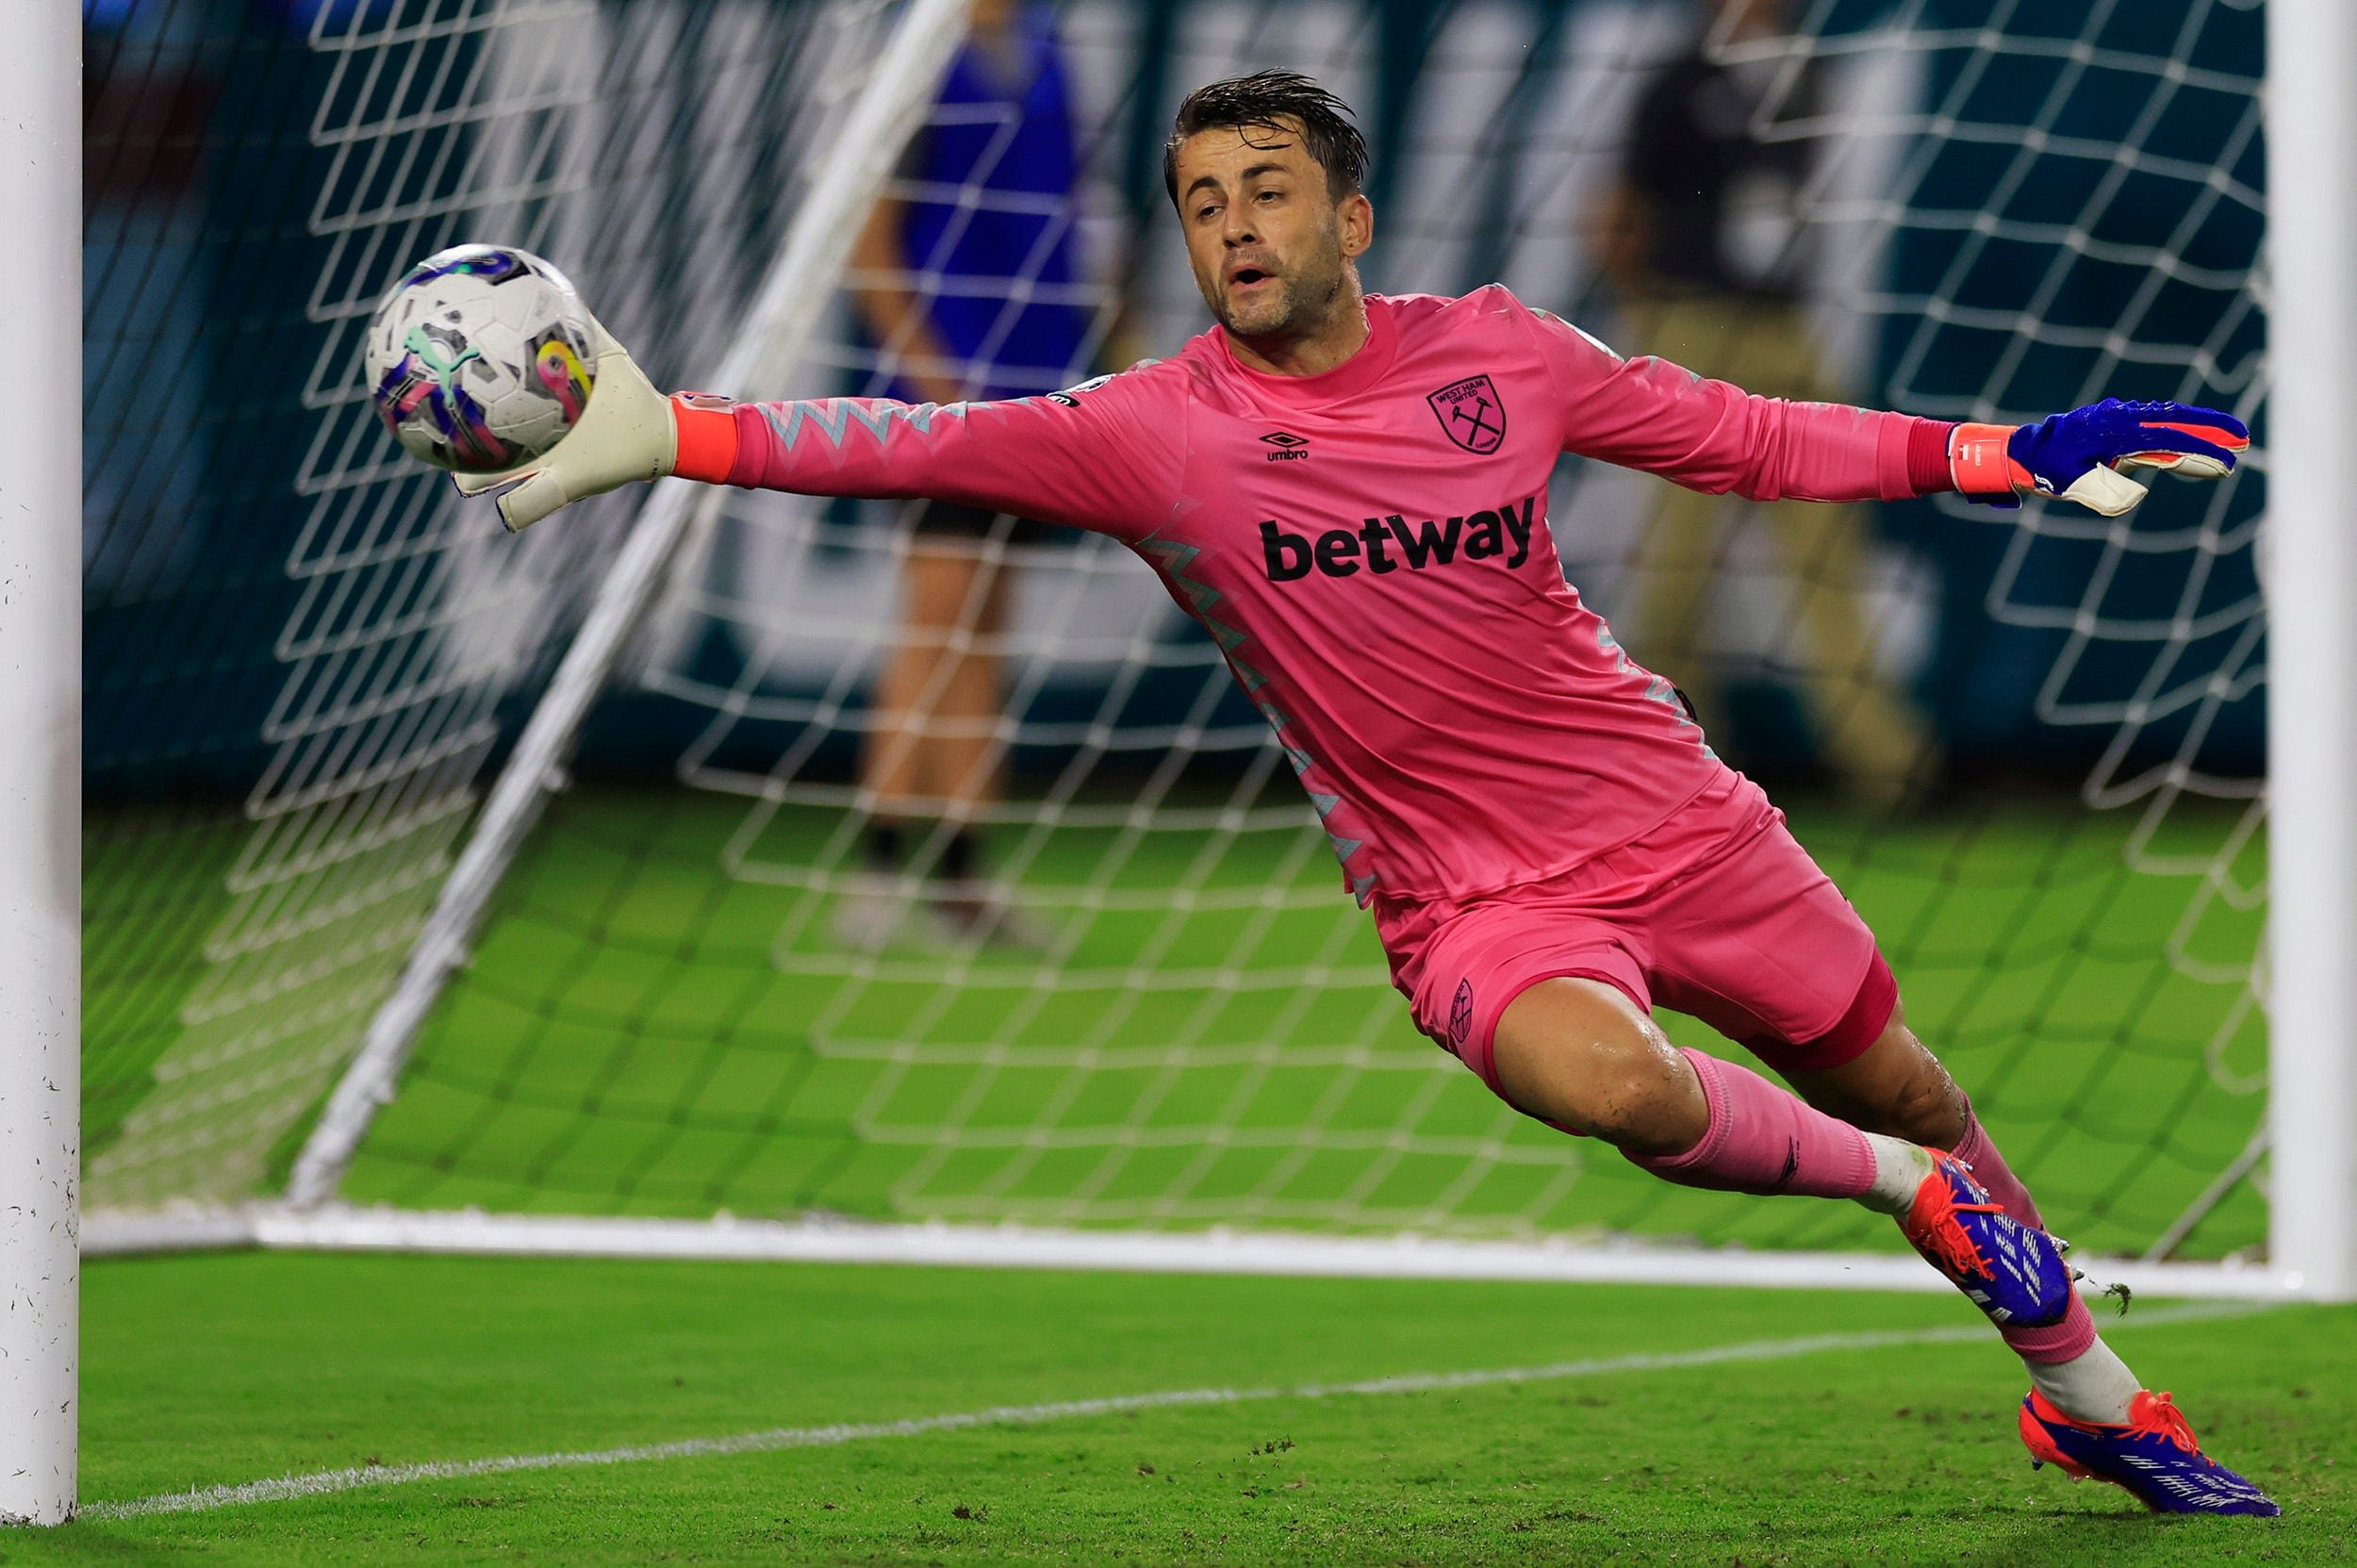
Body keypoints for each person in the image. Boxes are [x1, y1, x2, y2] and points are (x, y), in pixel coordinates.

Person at [455, 72, 2273, 1514]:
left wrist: (2002, 451)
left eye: (1265, 190)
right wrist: (667, 430)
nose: (1232, 226)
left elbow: (1743, 434)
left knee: (1915, 1087)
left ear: (1351, 218)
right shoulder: (1155, 430)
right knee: (1626, 1091)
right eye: (1201, 203)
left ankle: (2084, 1392)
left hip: (1679, 818)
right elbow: (900, 441)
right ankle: (1925, 1209)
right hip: (1472, 903)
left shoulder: (1503, 350)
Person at [1599, 0, 1934, 806]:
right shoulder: (1680, 80)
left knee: (1827, 555)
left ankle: (1893, 769)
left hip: (1781, 328)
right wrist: (1653, 327)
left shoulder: (1801, 73)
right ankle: (1680, 767)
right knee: (1676, 565)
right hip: (1692, 327)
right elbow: (1618, 218)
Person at [840, 0, 1090, 947]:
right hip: (944, 403)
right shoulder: (918, 58)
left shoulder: (1048, 53)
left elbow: (1079, 226)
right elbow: (869, 247)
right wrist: (932, 383)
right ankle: (877, 870)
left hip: (1035, 394)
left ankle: (961, 875)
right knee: (936, 618)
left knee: (985, 625)